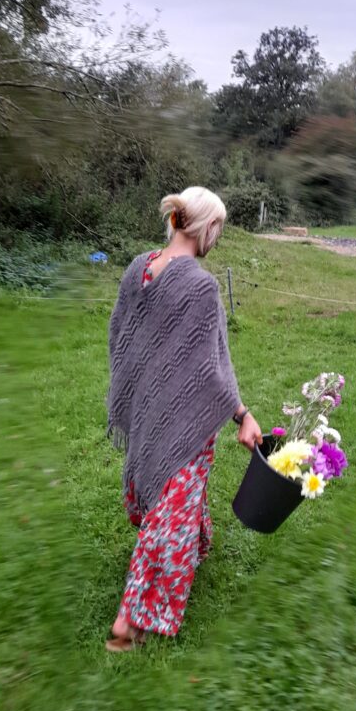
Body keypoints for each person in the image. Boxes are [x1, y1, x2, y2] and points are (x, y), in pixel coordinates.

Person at [105, 186, 262, 651]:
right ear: (207, 228)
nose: (218, 237)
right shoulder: (201, 286)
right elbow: (211, 369)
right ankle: (130, 620)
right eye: (219, 229)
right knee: (171, 509)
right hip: (184, 416)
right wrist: (242, 414)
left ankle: (198, 543)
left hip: (147, 409)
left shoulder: (138, 267)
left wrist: (138, 389)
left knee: (178, 495)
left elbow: (119, 337)